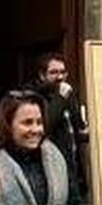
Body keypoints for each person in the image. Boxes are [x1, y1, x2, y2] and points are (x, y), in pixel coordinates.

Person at [28, 52, 89, 195]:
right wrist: (60, 98)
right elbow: (45, 126)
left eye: (63, 72)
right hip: (51, 171)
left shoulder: (68, 95)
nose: (60, 77)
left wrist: (84, 133)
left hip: (73, 170)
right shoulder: (34, 97)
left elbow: (77, 128)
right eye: (54, 72)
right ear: (42, 75)